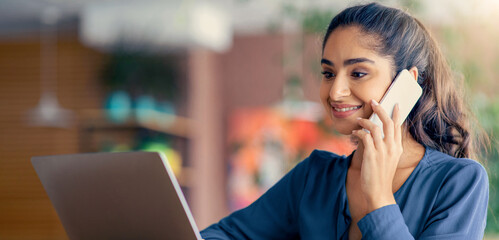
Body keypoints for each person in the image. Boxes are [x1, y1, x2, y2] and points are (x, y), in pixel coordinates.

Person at [200, 2, 489, 239]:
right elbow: (222, 235)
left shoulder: (459, 181)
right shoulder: (314, 176)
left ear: (406, 84)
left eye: (358, 73)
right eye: (328, 73)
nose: (335, 92)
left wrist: (378, 197)